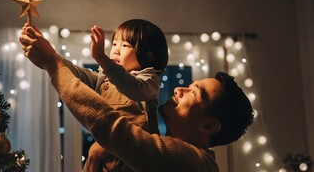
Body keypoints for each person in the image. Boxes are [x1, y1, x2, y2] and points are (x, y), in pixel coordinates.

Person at [19, 25, 254, 172]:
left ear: (208, 125)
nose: (178, 89)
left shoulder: (193, 163)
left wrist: (53, 64)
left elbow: (112, 128)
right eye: (188, 85)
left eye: (193, 92)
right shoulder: (157, 146)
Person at [21, 19, 169, 172]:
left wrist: (101, 57)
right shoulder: (104, 80)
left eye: (125, 45)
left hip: (138, 163)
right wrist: (48, 54)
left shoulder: (149, 79)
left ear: (149, 56)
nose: (116, 50)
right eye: (114, 44)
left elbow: (133, 88)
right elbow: (73, 74)